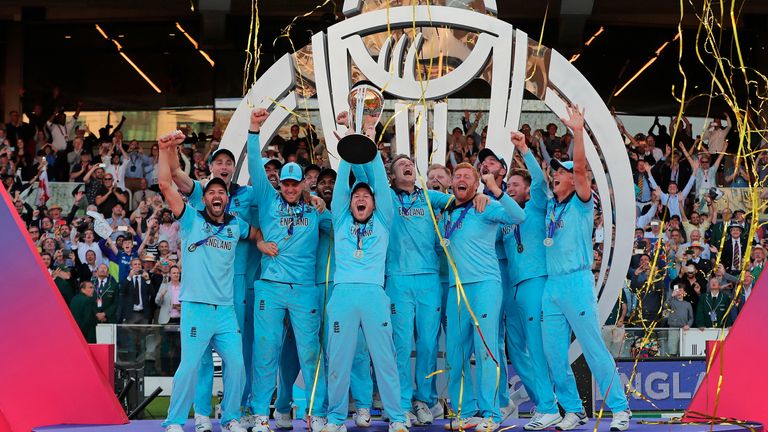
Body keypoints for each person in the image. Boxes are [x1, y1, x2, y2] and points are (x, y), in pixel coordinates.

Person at [539, 105, 631, 430]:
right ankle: (574, 410)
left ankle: (620, 409)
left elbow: (581, 169)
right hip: (552, 286)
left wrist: (577, 131)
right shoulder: (550, 205)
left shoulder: (581, 202)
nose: (556, 175)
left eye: (560, 172)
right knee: (553, 356)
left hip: (577, 282)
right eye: (555, 172)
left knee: (592, 349)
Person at [159, 130, 256, 432]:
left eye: (221, 193)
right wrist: (165, 149)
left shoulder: (235, 226)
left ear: (228, 199)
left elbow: (255, 234)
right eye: (211, 192)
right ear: (205, 197)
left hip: (225, 311)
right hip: (197, 307)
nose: (217, 195)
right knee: (189, 366)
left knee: (237, 365)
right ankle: (175, 421)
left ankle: (230, 419)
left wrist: (264, 242)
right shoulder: (191, 220)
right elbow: (166, 182)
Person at [245, 108, 330, 432]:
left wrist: (324, 203)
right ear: (279, 183)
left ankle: (316, 413)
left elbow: (344, 227)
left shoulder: (315, 210)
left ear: (303, 184)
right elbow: (254, 163)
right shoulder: (268, 200)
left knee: (311, 352)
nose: (291, 188)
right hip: (270, 285)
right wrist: (254, 129)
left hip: (305, 289)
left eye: (296, 184)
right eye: (287, 183)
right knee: (265, 350)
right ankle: (260, 415)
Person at [323, 120, 407, 432]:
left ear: (374, 202)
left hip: (374, 294)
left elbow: (382, 186)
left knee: (385, 359)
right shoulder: (341, 218)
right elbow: (344, 182)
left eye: (366, 196)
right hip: (343, 294)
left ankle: (397, 418)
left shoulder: (384, 219)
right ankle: (335, 419)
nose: (361, 198)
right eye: (357, 196)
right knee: (339, 361)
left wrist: (368, 147)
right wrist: (348, 146)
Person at [440, 161, 525, 431]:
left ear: (476, 184)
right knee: (456, 353)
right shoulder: (445, 209)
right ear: (452, 184)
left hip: (485, 286)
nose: (461, 179)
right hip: (456, 290)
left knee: (486, 350)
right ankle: (464, 412)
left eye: (468, 176)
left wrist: (494, 190)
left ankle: (491, 414)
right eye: (457, 176)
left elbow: (518, 217)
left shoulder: (485, 205)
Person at [503, 131, 561, 429]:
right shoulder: (505, 216)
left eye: (515, 185)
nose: (510, 188)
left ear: (526, 190)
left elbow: (539, 181)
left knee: (536, 348)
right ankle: (543, 400)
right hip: (512, 290)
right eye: (507, 185)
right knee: (515, 349)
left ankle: (549, 406)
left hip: (535, 283)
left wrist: (525, 150)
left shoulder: (536, 207)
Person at [478, 145, 537, 422]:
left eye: (491, 162)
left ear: (502, 168)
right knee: (495, 342)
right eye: (482, 163)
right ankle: (502, 400)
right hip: (492, 276)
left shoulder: (524, 203)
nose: (486, 166)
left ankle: (545, 400)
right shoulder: (480, 199)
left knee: (520, 345)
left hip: (518, 280)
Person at [663, 286, 694, 356]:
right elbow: (665, 306)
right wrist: (671, 296)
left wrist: (688, 325)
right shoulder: (672, 302)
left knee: (683, 351)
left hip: (684, 330)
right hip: (673, 328)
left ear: (684, 292)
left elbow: (691, 317)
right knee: (672, 351)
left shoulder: (687, 304)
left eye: (680, 290)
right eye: (677, 291)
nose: (679, 292)